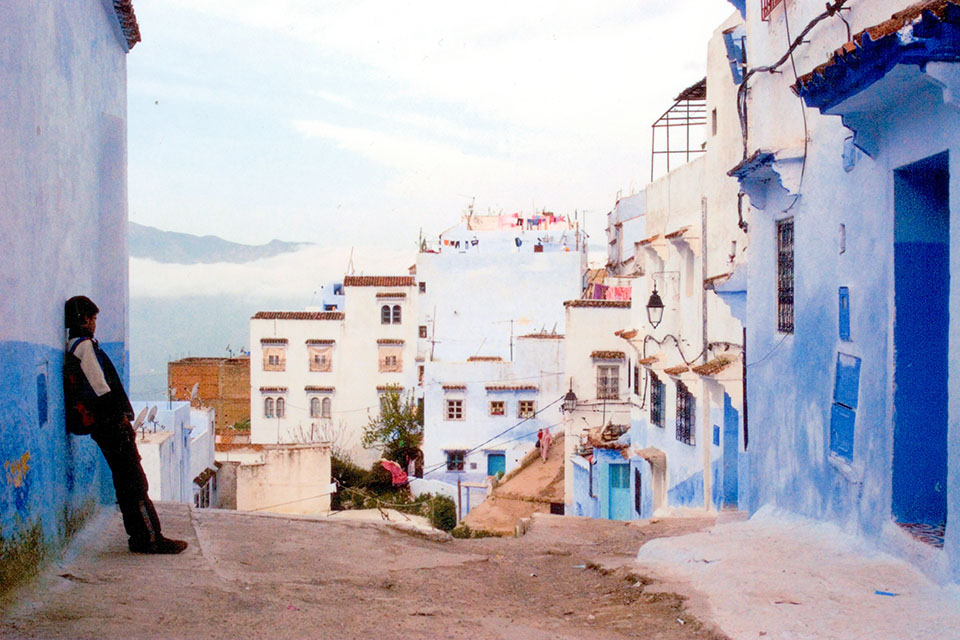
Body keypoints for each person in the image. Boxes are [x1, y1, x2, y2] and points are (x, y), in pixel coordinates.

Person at [63, 295, 187, 554]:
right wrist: (120, 419)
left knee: (125, 481)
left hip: (102, 426)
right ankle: (150, 538)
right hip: (110, 425)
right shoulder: (84, 347)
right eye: (93, 318)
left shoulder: (74, 346)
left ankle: (140, 536)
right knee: (135, 481)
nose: (95, 323)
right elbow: (101, 388)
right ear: (83, 319)